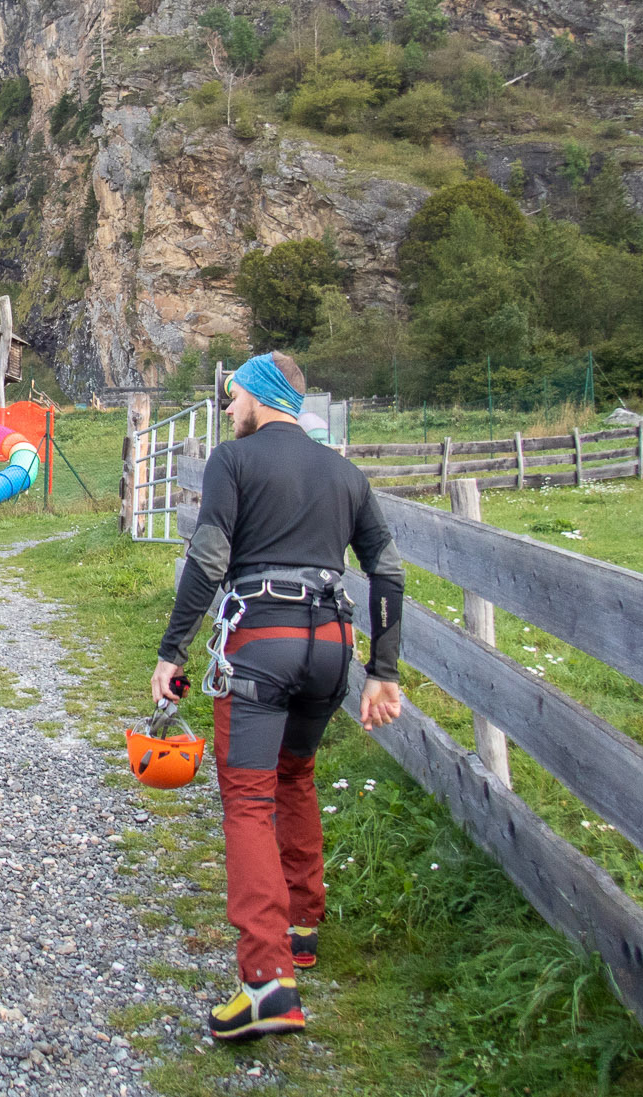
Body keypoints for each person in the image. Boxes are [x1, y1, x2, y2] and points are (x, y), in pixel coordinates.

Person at [151, 351, 404, 1042]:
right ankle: (300, 926)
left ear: (260, 397)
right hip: (332, 647)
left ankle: (266, 981)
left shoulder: (234, 463)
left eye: (233, 398)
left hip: (261, 642)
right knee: (295, 774)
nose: (229, 409)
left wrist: (171, 652)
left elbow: (207, 559)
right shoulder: (346, 473)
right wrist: (384, 669)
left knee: (250, 798)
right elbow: (387, 568)